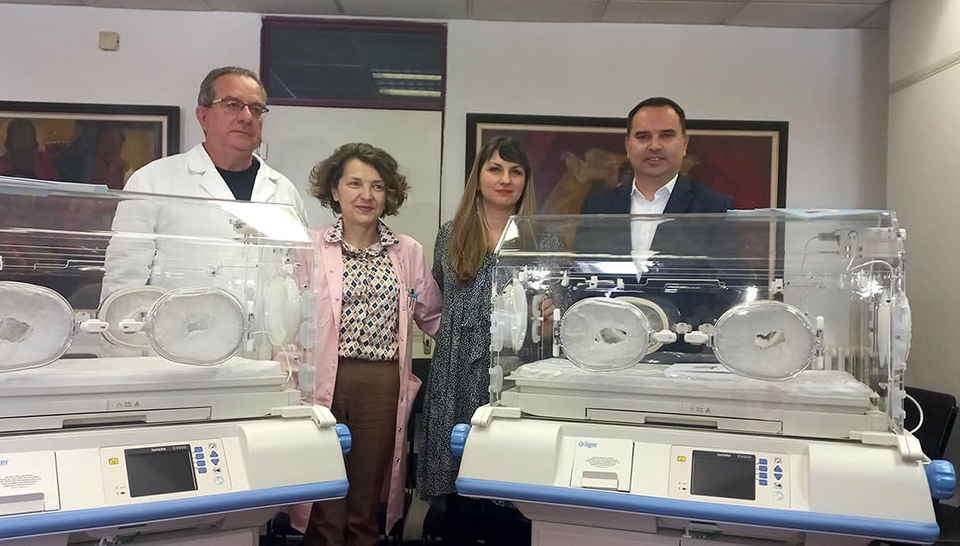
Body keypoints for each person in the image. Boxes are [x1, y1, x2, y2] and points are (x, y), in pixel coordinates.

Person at [294, 143, 442, 546]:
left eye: (377, 186)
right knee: (324, 494)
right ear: (334, 190)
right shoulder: (309, 246)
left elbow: (433, 316)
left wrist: (489, 336)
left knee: (366, 495)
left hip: (381, 384)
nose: (366, 195)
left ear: (388, 194)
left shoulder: (407, 251)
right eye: (354, 183)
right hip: (323, 379)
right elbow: (286, 317)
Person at [417, 137, 553, 546]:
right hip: (456, 375)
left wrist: (549, 321)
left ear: (525, 181)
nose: (505, 179)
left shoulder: (543, 239)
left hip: (513, 374)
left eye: (515, 171)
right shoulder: (450, 235)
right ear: (478, 177)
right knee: (459, 501)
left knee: (508, 499)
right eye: (495, 169)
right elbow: (439, 303)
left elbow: (553, 315)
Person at [101, 66, 305, 299]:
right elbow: (124, 280)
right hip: (179, 322)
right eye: (232, 105)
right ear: (203, 116)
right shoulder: (152, 182)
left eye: (256, 109)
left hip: (264, 324)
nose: (247, 117)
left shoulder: (284, 191)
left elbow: (300, 278)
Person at [581, 96, 733, 216]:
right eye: (643, 137)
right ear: (628, 145)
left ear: (684, 144)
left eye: (666, 136)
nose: (654, 146)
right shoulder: (596, 208)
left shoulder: (715, 208)